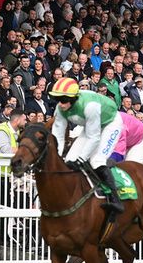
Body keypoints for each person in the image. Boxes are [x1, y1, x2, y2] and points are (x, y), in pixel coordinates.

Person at [48, 77, 123, 215]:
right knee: (69, 160)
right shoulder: (60, 109)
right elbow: (57, 137)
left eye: (64, 100)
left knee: (96, 160)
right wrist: (56, 158)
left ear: (73, 98)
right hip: (90, 127)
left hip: (110, 124)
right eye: (58, 99)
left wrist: (81, 159)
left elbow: (94, 138)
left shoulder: (90, 106)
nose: (60, 104)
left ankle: (115, 198)